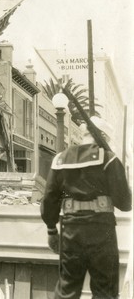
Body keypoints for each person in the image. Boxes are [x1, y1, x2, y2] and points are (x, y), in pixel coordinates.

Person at [40, 116, 132, 299]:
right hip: (101, 230)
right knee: (104, 290)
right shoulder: (108, 158)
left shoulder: (60, 159)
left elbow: (49, 199)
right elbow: (125, 204)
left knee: (67, 289)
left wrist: (51, 231)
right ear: (103, 136)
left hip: (71, 230)